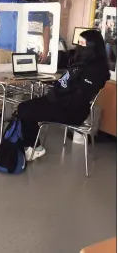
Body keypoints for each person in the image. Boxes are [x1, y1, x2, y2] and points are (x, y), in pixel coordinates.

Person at [17, 29, 110, 161]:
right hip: (60, 101)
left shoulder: (96, 70)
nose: (80, 46)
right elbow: (69, 78)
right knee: (23, 107)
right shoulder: (81, 60)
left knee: (27, 111)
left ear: (93, 46)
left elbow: (79, 97)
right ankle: (32, 146)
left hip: (73, 111)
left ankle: (32, 147)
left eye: (83, 44)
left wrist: (56, 98)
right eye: (79, 43)